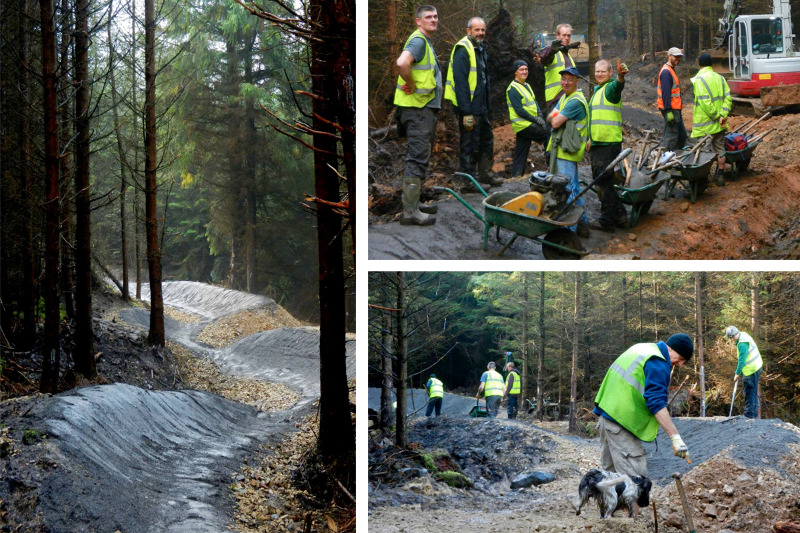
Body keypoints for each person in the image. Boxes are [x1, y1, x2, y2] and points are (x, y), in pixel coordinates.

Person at [592, 333, 694, 478]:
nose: (680, 364)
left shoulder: (642, 349)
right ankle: (634, 502)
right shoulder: (657, 362)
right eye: (681, 358)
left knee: (611, 479)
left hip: (607, 418)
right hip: (622, 424)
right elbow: (656, 403)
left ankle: (614, 502)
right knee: (635, 481)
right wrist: (675, 437)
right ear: (672, 348)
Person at [394, 5, 442, 225]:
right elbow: (402, 63)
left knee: (420, 156)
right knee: (417, 157)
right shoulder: (419, 41)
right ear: (418, 21)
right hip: (417, 109)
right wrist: (411, 84)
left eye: (435, 16)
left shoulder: (425, 42)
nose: (433, 20)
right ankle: (410, 212)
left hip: (420, 108)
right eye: (428, 17)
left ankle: (414, 203)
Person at [445, 17, 502, 190]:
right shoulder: (463, 49)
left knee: (486, 139)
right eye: (476, 30)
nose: (480, 33)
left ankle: (485, 174)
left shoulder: (480, 48)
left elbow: (482, 80)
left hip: (481, 106)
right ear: (468, 31)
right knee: (469, 143)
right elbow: (461, 83)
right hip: (469, 108)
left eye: (482, 30)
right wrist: (466, 112)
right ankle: (468, 181)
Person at [546, 66, 590, 236]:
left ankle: (569, 233)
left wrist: (554, 118)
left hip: (567, 151)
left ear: (576, 81)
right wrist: (554, 117)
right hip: (564, 150)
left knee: (568, 191)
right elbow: (551, 116)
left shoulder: (574, 101)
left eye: (570, 79)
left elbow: (555, 122)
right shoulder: (566, 97)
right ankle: (583, 224)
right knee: (574, 188)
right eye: (563, 79)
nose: (565, 82)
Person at [587, 59, 629, 231]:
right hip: (599, 142)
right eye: (597, 71)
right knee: (607, 182)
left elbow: (618, 86)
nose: (599, 74)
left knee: (602, 182)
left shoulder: (611, 89)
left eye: (603, 71)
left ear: (610, 73)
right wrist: (590, 139)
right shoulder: (598, 90)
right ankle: (620, 216)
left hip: (607, 143)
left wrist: (621, 76)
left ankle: (606, 220)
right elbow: (595, 119)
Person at [690, 53, 732, 186]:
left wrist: (716, 116)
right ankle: (720, 176)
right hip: (720, 125)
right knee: (720, 149)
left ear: (699, 64)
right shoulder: (720, 78)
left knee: (704, 153)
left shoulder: (699, 79)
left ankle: (703, 180)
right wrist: (723, 116)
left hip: (705, 126)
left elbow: (704, 102)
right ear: (711, 64)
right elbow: (728, 99)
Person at [506, 60, 548, 177]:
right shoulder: (512, 89)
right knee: (547, 136)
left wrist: (540, 116)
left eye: (526, 69)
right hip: (524, 124)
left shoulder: (527, 86)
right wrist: (536, 120)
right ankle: (552, 167)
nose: (524, 72)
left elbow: (534, 103)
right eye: (521, 70)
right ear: (516, 72)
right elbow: (519, 110)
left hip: (527, 124)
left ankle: (517, 176)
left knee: (521, 150)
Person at [725, 326, 763, 419]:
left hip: (751, 370)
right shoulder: (743, 335)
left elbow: (742, 360)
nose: (732, 339)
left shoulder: (742, 344)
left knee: (749, 392)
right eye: (731, 338)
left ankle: (749, 415)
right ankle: (754, 415)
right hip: (757, 366)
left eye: (732, 337)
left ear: (734, 336)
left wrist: (737, 373)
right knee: (753, 391)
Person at [657, 47, 687, 150]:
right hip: (671, 109)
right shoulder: (666, 72)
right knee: (672, 136)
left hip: (675, 108)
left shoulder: (670, 70)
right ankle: (668, 160)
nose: (678, 59)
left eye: (679, 57)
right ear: (669, 56)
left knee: (681, 135)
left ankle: (676, 156)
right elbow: (666, 93)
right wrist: (668, 110)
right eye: (676, 57)